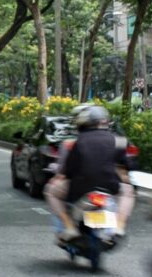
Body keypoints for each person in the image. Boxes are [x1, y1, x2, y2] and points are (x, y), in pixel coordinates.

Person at [43, 104, 134, 242]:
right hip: (110, 187)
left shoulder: (77, 142)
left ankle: (69, 227)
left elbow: (69, 169)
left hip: (80, 189)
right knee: (128, 191)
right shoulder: (119, 140)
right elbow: (127, 165)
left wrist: (64, 176)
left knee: (50, 191)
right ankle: (119, 226)